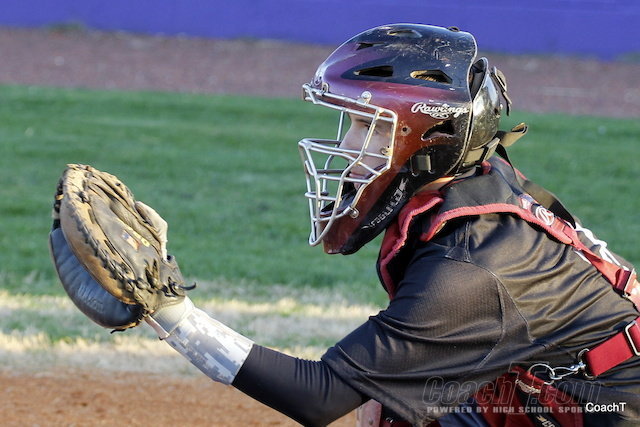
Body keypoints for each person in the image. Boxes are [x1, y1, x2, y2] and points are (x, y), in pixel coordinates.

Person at [144, 24, 640, 426]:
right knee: (391, 398)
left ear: (431, 136)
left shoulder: (470, 267)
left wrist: (172, 315)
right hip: (579, 383)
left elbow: (318, 397)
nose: (349, 146)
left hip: (612, 408)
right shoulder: (473, 181)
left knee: (385, 402)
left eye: (369, 126)